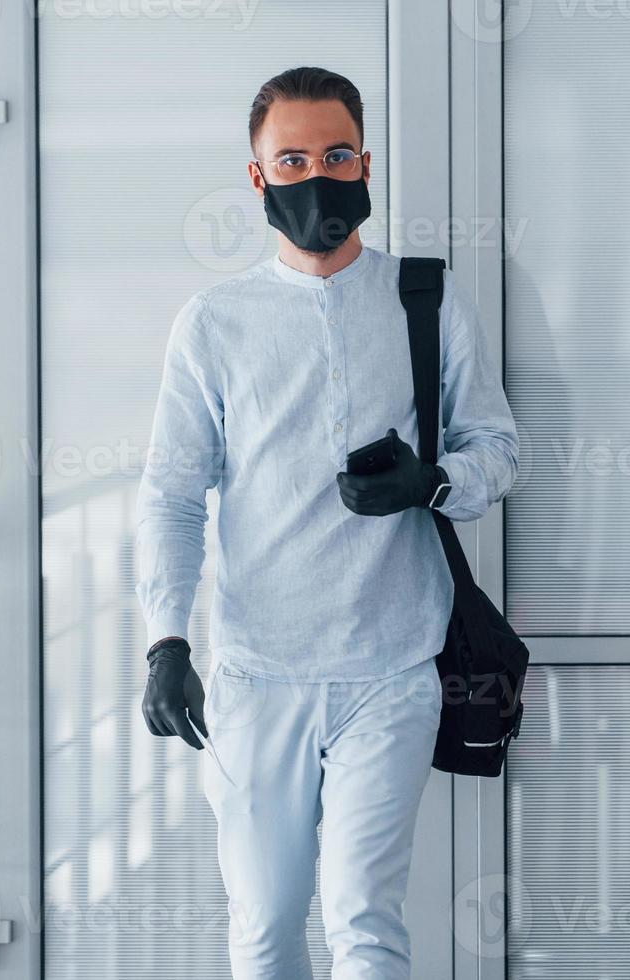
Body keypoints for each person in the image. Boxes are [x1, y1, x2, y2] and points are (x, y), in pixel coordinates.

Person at [135, 65, 519, 980]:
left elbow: (499, 449)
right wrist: (164, 642)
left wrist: (433, 482)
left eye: (337, 155)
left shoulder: (423, 298)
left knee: (365, 924)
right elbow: (172, 495)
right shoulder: (214, 324)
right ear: (260, 179)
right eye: (294, 159)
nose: (320, 177)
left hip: (392, 667)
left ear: (367, 164)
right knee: (264, 932)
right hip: (256, 677)